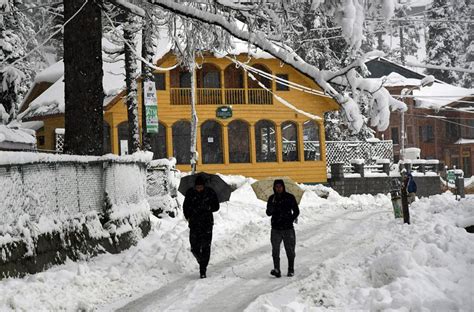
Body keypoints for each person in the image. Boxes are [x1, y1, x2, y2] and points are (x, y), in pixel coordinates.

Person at [183, 175, 220, 278]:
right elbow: (185, 206)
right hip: (194, 223)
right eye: (197, 187)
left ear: (204, 186)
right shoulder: (190, 193)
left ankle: (203, 269)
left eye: (201, 187)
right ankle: (200, 260)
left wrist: (208, 207)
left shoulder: (210, 192)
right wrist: (188, 216)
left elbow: (216, 206)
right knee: (194, 247)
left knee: (205, 246)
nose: (199, 189)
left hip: (207, 223)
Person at [266, 179, 300, 278]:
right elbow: (268, 213)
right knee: (275, 250)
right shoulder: (272, 198)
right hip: (275, 228)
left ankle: (291, 269)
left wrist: (291, 219)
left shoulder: (290, 197)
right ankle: (277, 269)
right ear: (274, 188)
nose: (278, 188)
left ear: (283, 187)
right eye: (276, 187)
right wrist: (271, 208)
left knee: (290, 250)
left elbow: (296, 211)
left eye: (280, 186)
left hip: (288, 228)